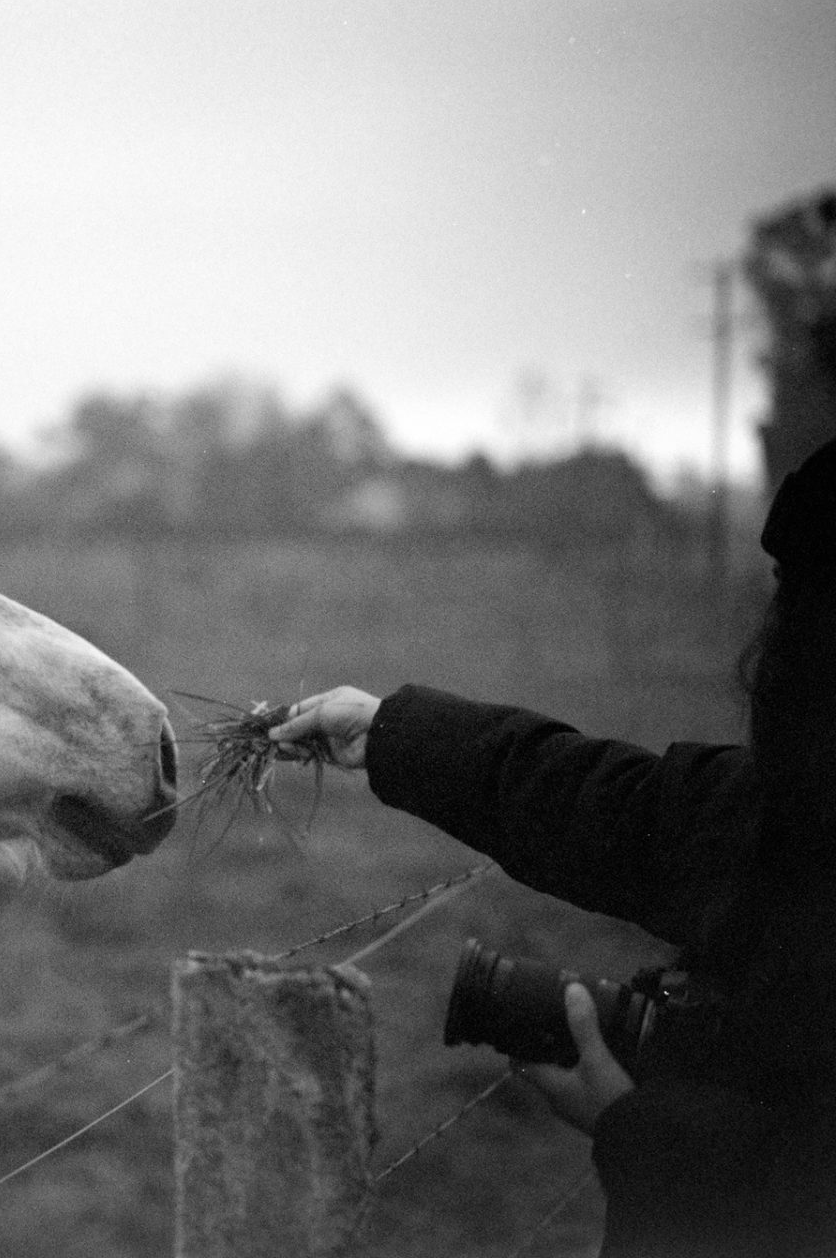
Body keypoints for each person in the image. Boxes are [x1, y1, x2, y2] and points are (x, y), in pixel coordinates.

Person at [269, 441, 836, 1258]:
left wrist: (636, 1126)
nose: (765, 650)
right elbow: (618, 808)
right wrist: (392, 731)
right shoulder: (795, 811)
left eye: (795, 612)